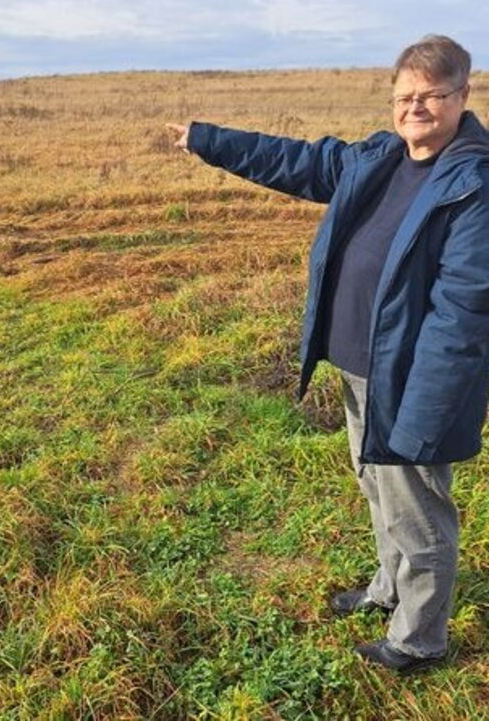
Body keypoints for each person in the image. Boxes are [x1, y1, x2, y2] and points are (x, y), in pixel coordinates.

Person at [167, 34, 489, 674]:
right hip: (360, 367)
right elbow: (296, 161)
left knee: (420, 512)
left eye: (431, 95)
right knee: (377, 488)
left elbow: (463, 315)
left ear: (462, 96)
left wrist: (425, 410)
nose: (415, 108)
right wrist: (207, 139)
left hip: (408, 378)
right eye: (405, 96)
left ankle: (419, 639)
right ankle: (388, 587)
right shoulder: (379, 156)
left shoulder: (473, 187)